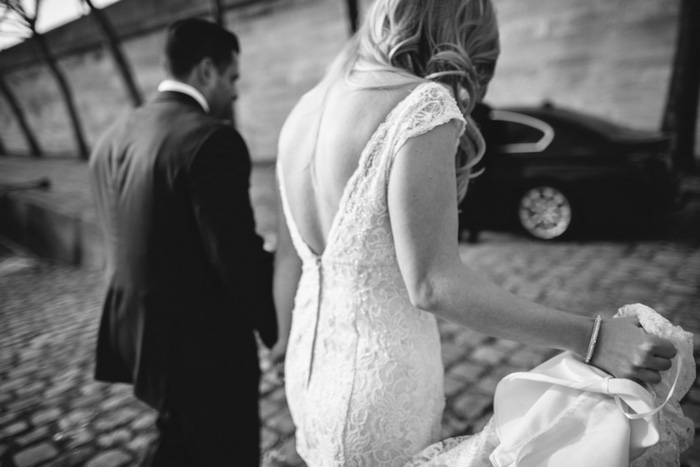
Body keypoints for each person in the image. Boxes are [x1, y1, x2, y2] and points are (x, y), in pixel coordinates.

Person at [271, 0, 677, 465]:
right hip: (378, 388)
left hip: (307, 369)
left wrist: (282, 344)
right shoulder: (419, 103)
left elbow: (289, 261)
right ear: (461, 32)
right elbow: (433, 285)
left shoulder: (304, 109)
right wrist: (593, 338)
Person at [89, 18, 276, 466]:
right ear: (207, 70)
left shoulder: (114, 135)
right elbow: (232, 253)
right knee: (226, 450)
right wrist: (277, 327)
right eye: (233, 78)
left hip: (135, 326)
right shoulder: (211, 138)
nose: (234, 92)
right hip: (200, 348)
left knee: (180, 438)